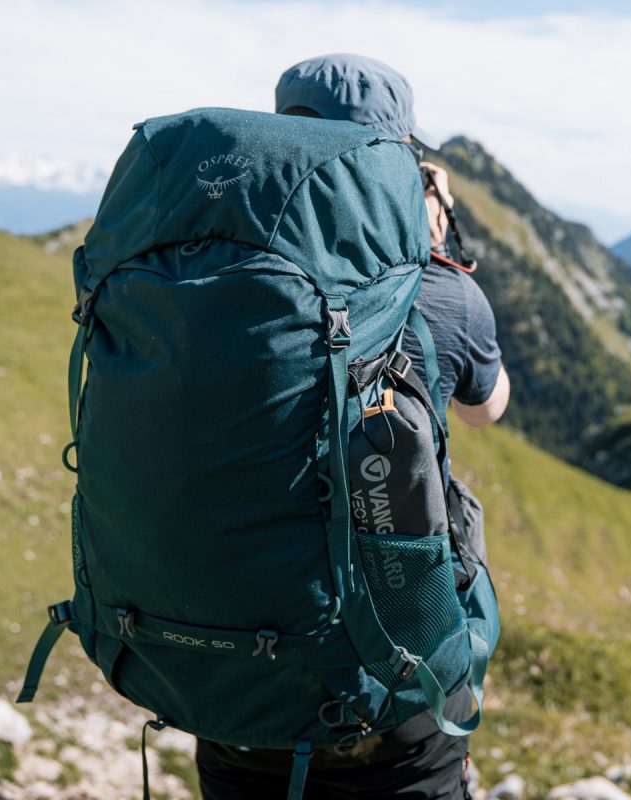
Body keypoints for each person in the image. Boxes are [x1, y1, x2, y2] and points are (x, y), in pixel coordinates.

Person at [193, 53, 510, 800]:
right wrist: (435, 248)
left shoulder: (207, 284)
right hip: (392, 705)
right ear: (392, 160)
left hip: (237, 689)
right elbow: (485, 406)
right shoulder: (441, 296)